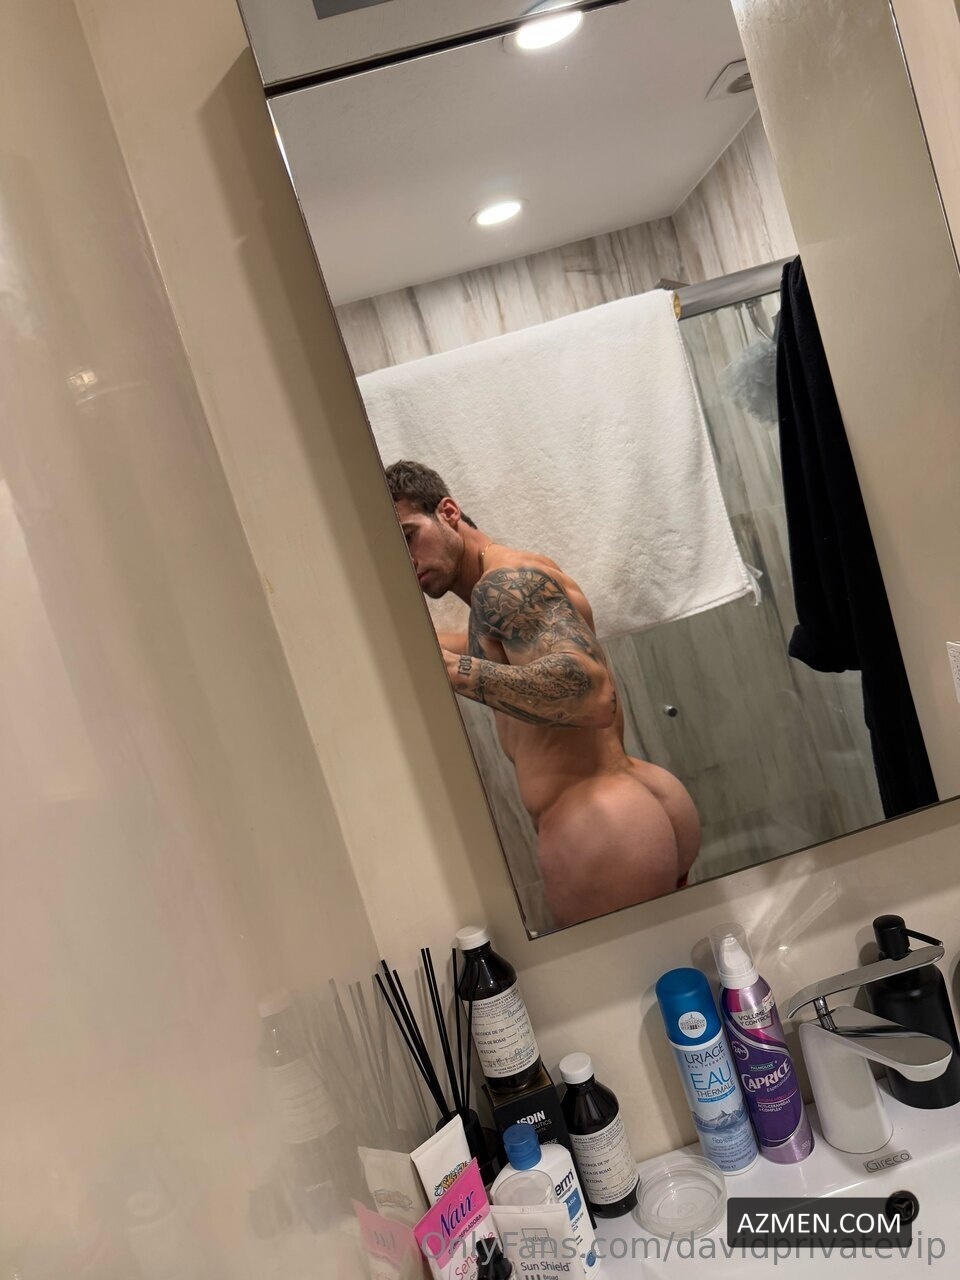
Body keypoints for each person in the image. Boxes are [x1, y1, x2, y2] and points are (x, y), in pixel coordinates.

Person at [386, 459, 701, 928]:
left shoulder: (503, 586)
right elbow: (506, 652)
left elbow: (591, 694)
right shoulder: (510, 583)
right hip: (632, 806)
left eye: (409, 536)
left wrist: (455, 671)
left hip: (603, 827)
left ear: (448, 512)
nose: (407, 559)